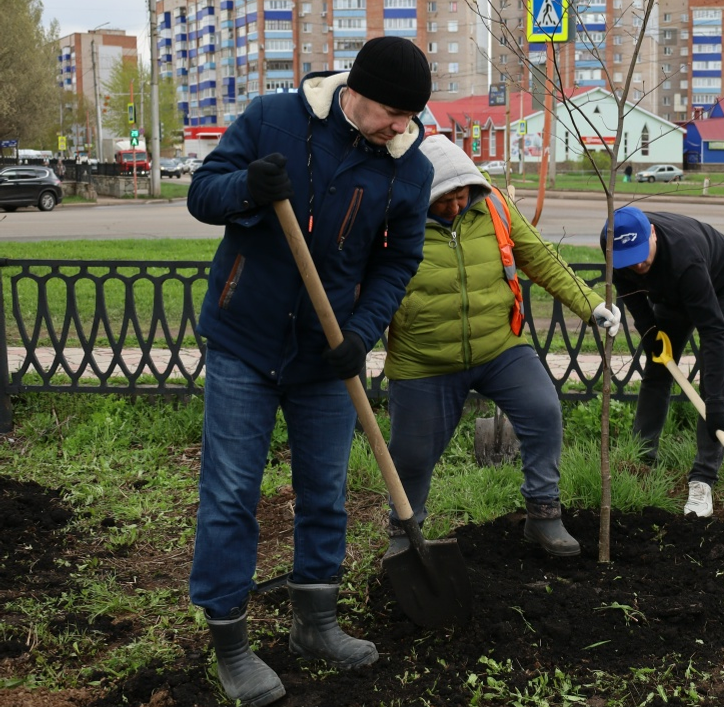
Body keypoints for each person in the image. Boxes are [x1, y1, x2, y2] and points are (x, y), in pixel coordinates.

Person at [186, 37, 435, 707]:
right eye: (392, 112)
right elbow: (202, 192)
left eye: (411, 116)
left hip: (327, 353)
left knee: (324, 489)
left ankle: (315, 623)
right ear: (355, 91)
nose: (401, 128)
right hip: (243, 337)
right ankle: (231, 644)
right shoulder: (273, 118)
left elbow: (398, 260)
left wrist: (361, 331)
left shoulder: (408, 168)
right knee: (233, 492)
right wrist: (247, 187)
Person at [382, 136, 622, 558]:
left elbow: (541, 258)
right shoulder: (391, 217)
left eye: (460, 197)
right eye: (443, 202)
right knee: (412, 455)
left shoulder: (492, 204)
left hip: (499, 347)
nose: (455, 207)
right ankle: (405, 537)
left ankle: (543, 514)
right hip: (424, 360)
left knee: (543, 410)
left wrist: (591, 304)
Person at [601, 207, 724, 518]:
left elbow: (713, 332)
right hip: (670, 295)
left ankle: (703, 479)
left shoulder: (684, 258)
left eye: (642, 254)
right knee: (657, 371)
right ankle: (642, 461)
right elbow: (634, 296)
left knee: (713, 381)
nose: (638, 264)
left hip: (722, 284)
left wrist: (718, 404)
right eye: (629, 260)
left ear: (652, 232)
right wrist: (651, 332)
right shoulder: (616, 249)